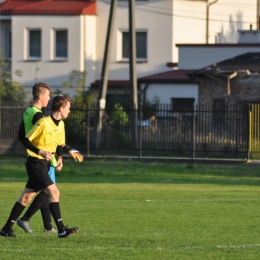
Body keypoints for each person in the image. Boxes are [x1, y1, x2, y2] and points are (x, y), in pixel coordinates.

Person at [0, 95, 83, 238]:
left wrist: (62, 156)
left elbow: (59, 143)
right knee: (54, 192)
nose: (69, 111)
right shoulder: (43, 122)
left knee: (26, 198)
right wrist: (40, 151)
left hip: (45, 165)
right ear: (61, 108)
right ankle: (62, 229)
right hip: (35, 164)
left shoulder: (61, 124)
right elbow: (25, 140)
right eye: (68, 108)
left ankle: (6, 229)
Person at [16, 82, 59, 233]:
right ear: (40, 96)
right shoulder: (39, 116)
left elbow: (21, 136)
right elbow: (41, 138)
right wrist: (42, 151)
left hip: (34, 158)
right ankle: (26, 219)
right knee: (49, 191)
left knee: (44, 191)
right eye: (48, 95)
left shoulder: (28, 111)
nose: (49, 98)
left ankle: (47, 226)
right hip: (42, 160)